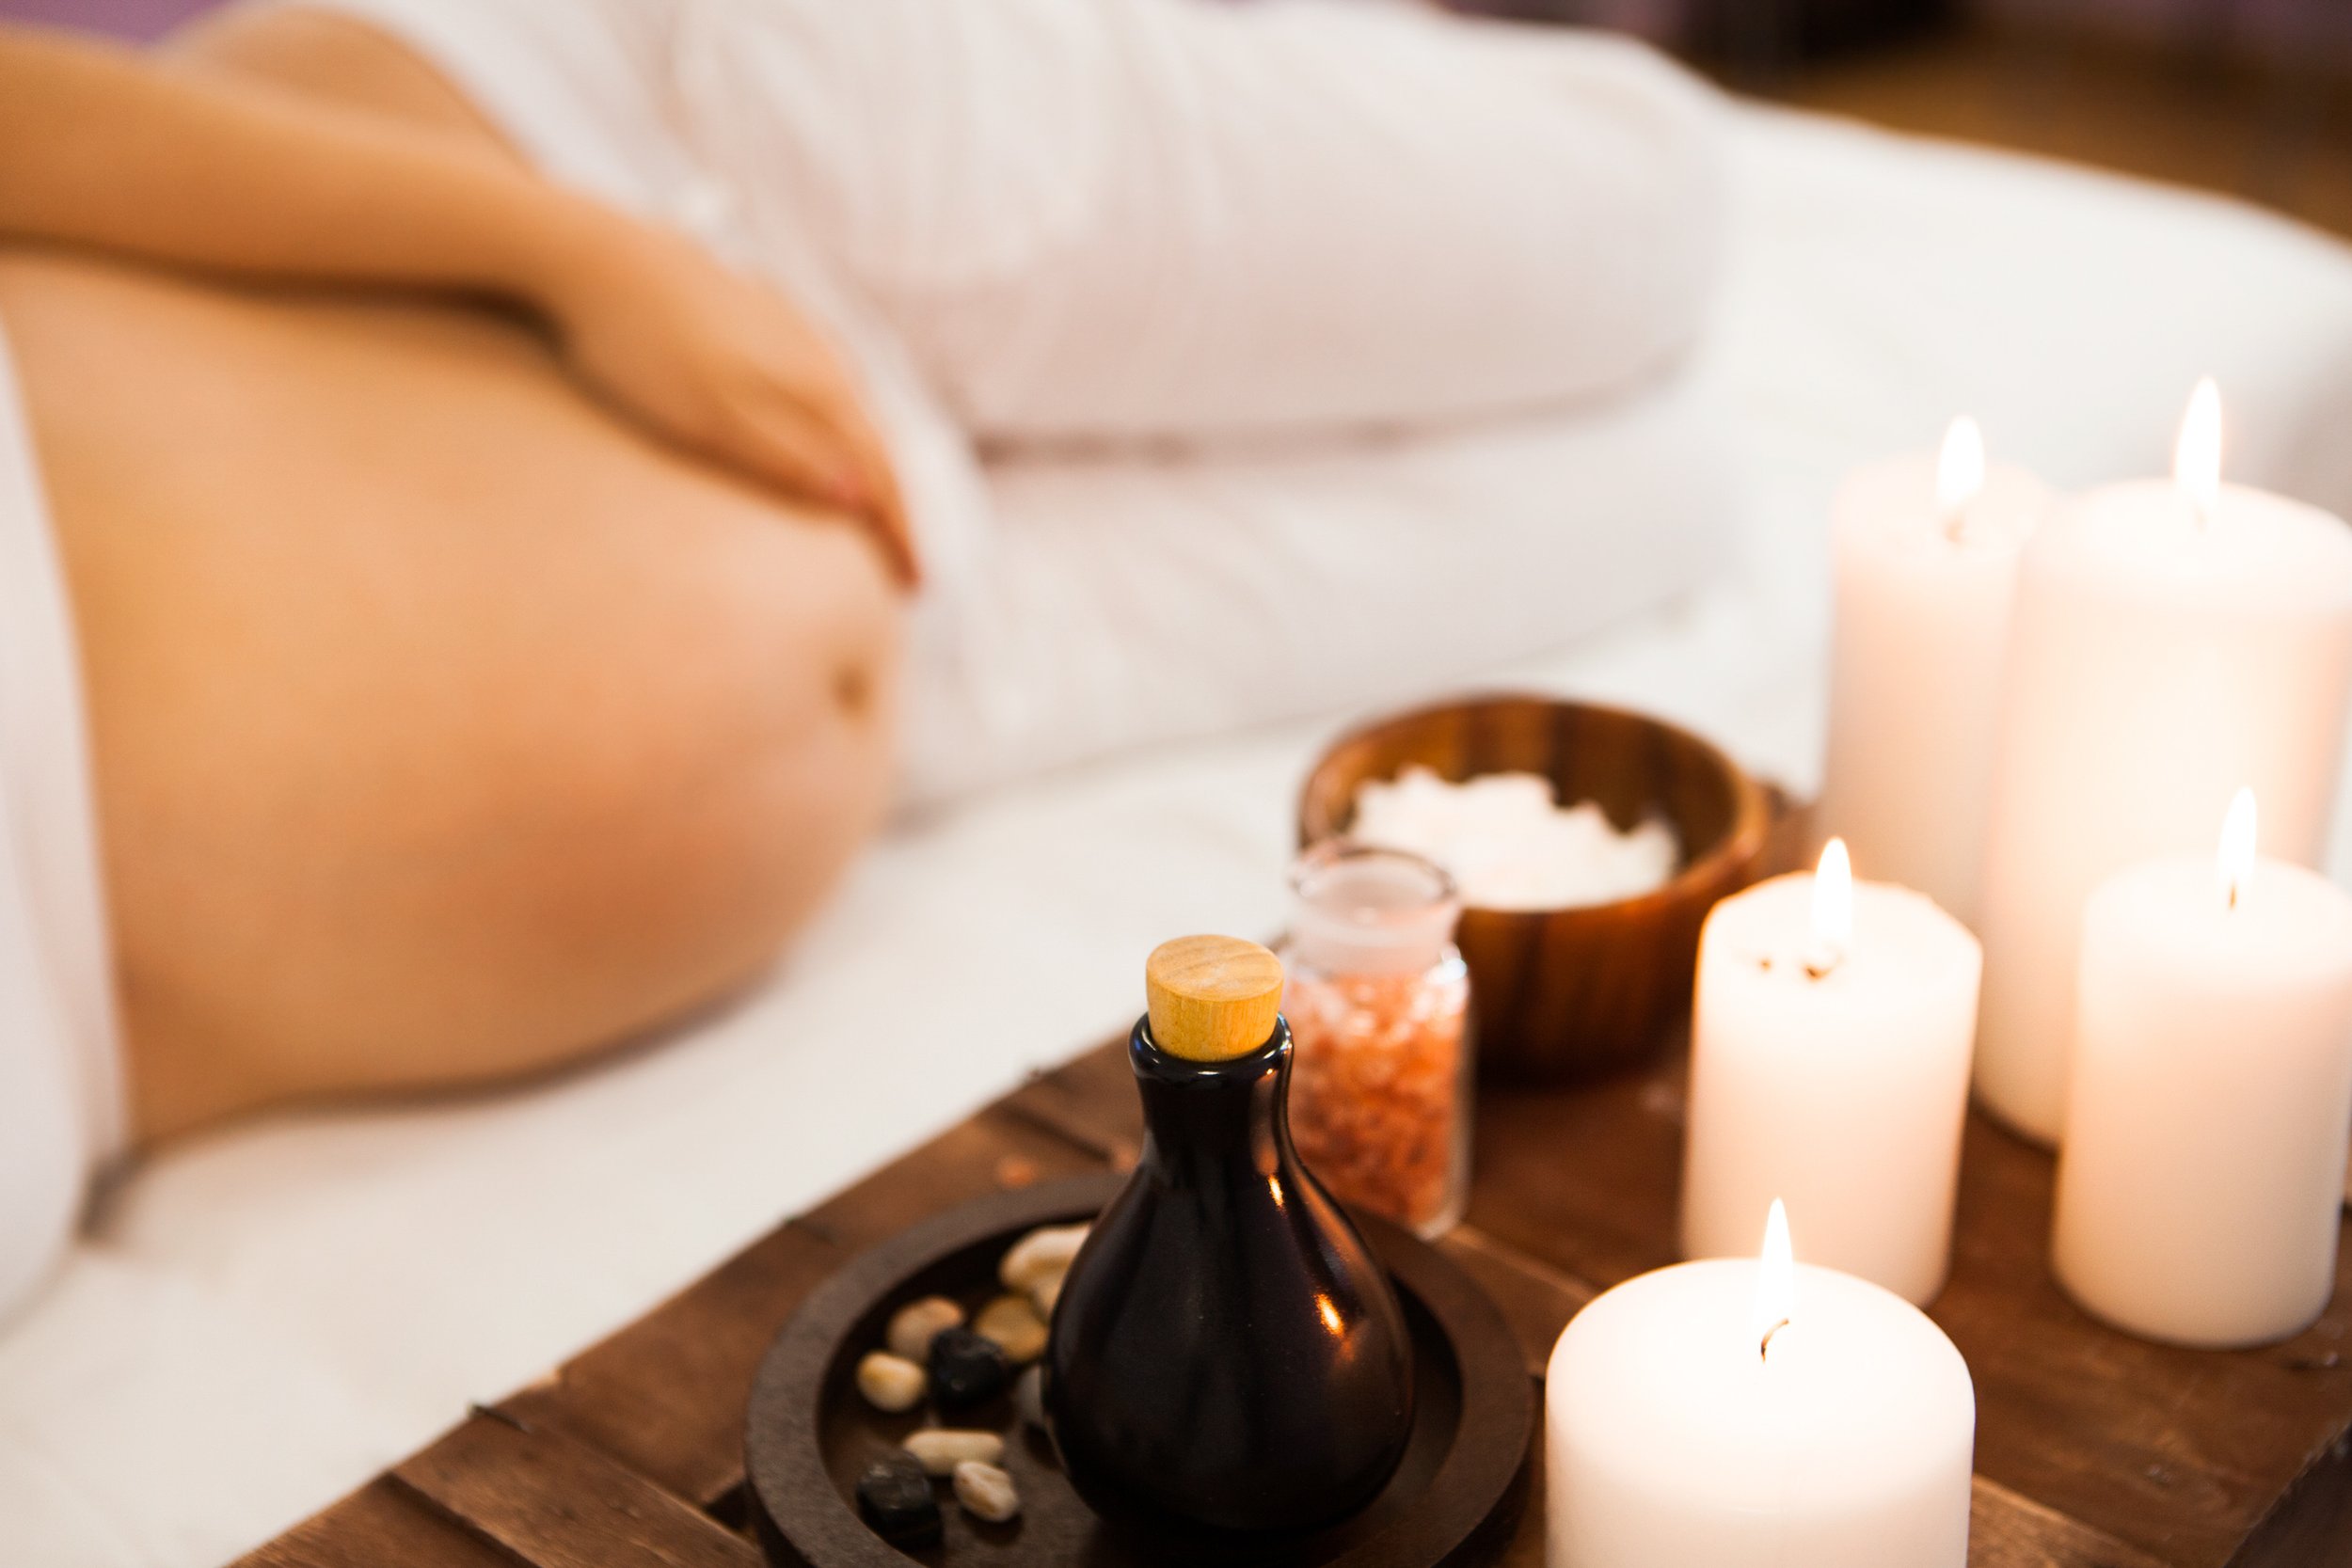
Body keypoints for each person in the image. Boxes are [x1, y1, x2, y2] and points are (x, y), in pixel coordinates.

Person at [0, 0, 1721, 1315]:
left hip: (643, 180)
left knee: (1639, 235)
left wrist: (584, 259)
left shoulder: (611, 214)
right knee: (1666, 504)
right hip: (950, 683)